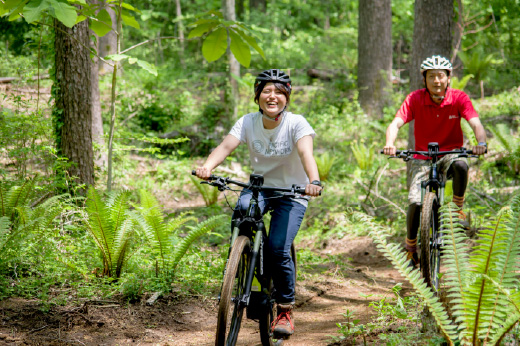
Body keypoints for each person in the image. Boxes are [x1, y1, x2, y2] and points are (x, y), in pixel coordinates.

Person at [195, 69, 322, 337]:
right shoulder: (247, 122)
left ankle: (284, 308)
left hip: (293, 192)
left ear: (287, 96)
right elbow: (225, 146)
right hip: (261, 189)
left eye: (278, 91)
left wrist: (314, 180)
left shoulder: (297, 124)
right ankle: (240, 273)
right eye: (266, 91)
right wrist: (207, 166)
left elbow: (305, 152)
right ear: (257, 96)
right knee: (241, 211)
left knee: (277, 248)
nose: (272, 96)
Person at [383, 55, 487, 268]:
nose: (437, 81)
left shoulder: (459, 98)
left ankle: (458, 209)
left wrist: (482, 142)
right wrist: (389, 143)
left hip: (450, 154)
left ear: (448, 78)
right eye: (432, 77)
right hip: (423, 157)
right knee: (415, 201)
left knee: (461, 164)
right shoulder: (415, 99)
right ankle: (411, 248)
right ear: (424, 79)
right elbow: (395, 124)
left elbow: (475, 123)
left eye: (441, 76)